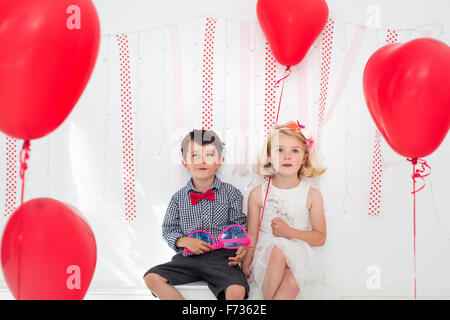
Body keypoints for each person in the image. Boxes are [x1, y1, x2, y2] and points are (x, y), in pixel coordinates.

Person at [143, 129, 249, 300]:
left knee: (237, 290)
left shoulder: (232, 194)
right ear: (185, 163)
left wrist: (242, 247)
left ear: (220, 161)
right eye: (194, 155)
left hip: (221, 258)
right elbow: (168, 229)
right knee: (151, 278)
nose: (202, 161)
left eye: (209, 154)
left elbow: (239, 226)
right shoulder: (178, 198)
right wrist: (185, 241)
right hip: (187, 258)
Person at [242, 121, 327, 299]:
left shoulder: (312, 195)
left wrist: (288, 232)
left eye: (294, 150)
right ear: (269, 156)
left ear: (304, 158)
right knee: (276, 250)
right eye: (279, 150)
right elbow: (251, 234)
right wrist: (245, 263)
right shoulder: (258, 194)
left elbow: (320, 238)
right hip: (266, 261)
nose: (287, 156)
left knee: (292, 282)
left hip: (301, 257)